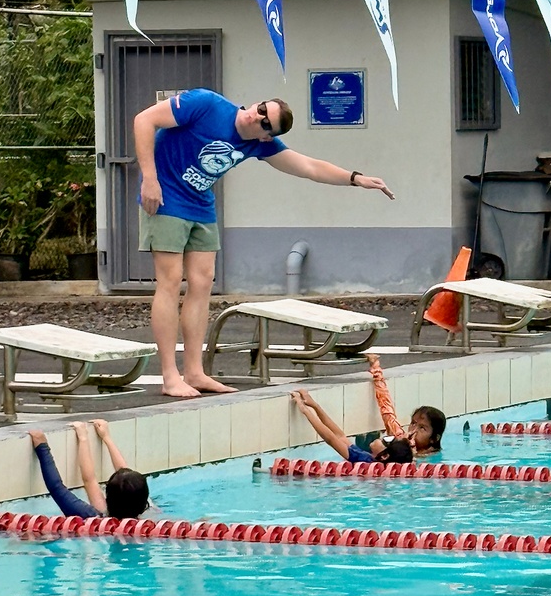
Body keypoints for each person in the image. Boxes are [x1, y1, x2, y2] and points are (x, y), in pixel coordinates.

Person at [134, 90, 394, 399]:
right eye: (260, 109)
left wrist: (355, 178)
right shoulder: (206, 104)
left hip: (200, 204)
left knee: (202, 283)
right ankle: (169, 375)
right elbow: (144, 120)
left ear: (268, 137)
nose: (256, 115)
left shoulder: (258, 145)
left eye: (264, 120)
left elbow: (309, 167)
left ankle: (194, 371)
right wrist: (149, 178)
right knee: (170, 280)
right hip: (165, 198)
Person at [28, 419, 150, 520]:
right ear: (145, 503)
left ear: (107, 498)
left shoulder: (91, 516)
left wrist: (42, 445)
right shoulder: (148, 518)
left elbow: (59, 487)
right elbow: (125, 473)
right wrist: (107, 437)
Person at [291, 388, 414, 465]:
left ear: (385, 455)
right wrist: (314, 406)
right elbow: (340, 436)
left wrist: (305, 410)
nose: (382, 437)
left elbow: (331, 439)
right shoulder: (367, 457)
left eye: (386, 440)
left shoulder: (364, 461)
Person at [364, 352, 446, 456]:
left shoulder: (434, 459)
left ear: (434, 439)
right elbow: (387, 409)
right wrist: (375, 367)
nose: (413, 430)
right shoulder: (400, 438)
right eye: (413, 423)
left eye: (422, 428)